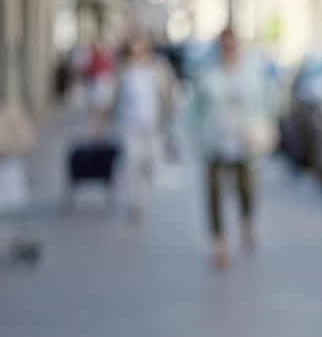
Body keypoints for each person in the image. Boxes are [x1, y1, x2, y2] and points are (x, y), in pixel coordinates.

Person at [189, 28, 273, 269]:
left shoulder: (252, 75)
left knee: (246, 188)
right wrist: (193, 137)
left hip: (244, 142)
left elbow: (266, 104)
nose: (229, 51)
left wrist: (266, 130)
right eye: (224, 47)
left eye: (232, 46)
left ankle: (247, 224)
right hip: (214, 141)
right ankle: (220, 243)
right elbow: (195, 109)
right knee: (214, 192)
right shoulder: (208, 75)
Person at [106, 34, 176, 223]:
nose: (138, 53)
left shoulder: (159, 69)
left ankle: (142, 193)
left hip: (153, 125)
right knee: (131, 162)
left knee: (151, 164)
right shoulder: (124, 71)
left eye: (141, 49)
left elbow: (169, 95)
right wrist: (105, 119)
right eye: (134, 49)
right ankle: (136, 202)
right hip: (129, 125)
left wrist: (169, 119)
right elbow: (114, 96)